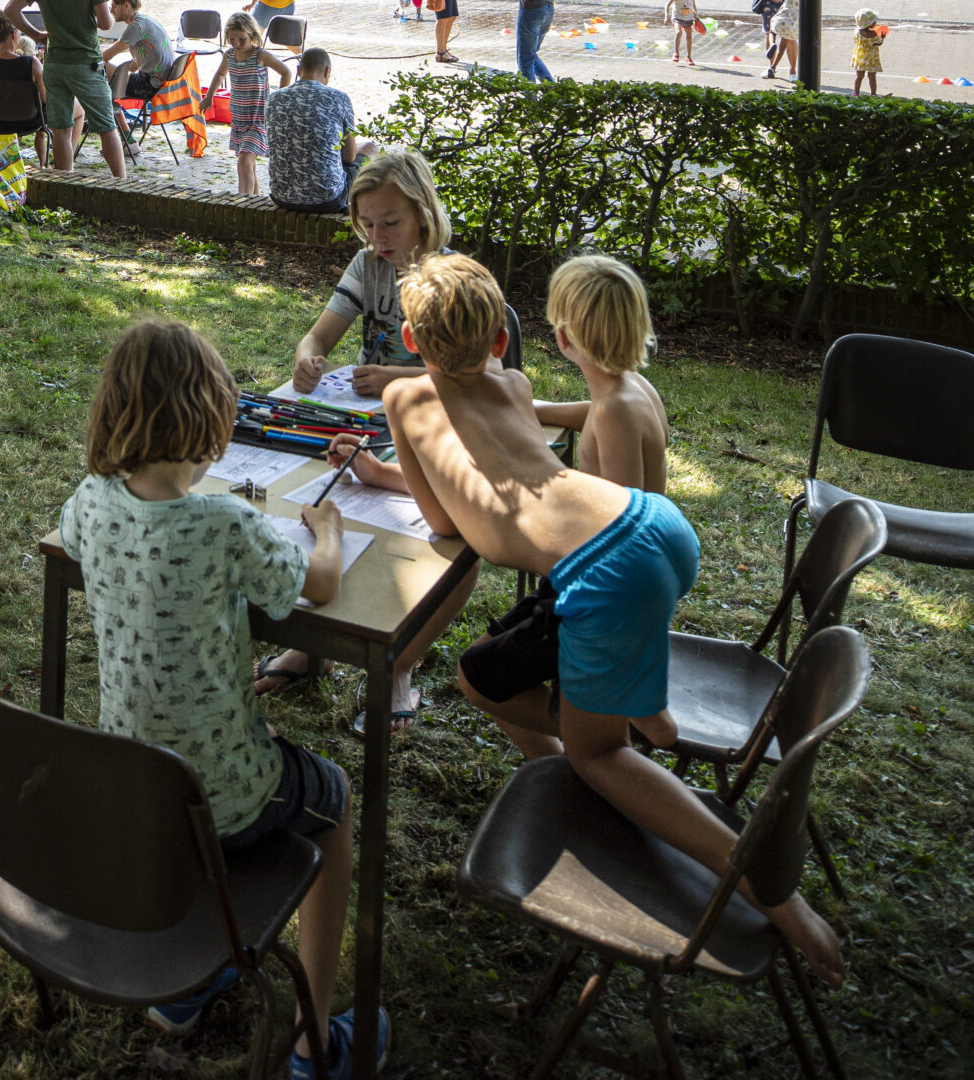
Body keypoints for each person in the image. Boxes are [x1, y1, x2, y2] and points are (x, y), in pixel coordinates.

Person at [372, 252, 845, 991]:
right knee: (488, 674)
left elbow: (442, 520)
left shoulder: (405, 401)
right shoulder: (518, 381)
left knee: (601, 756)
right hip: (651, 524)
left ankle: (771, 895)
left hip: (604, 575)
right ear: (502, 339)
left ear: (408, 338)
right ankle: (605, 756)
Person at [59, 319, 389, 1080]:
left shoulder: (90, 499)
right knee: (333, 798)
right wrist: (327, 528)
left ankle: (185, 986)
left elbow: (78, 546)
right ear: (214, 416)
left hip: (132, 786)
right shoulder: (226, 522)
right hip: (224, 795)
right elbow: (322, 584)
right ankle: (315, 1042)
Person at [255, 151, 468, 728]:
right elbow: (319, 335)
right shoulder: (366, 264)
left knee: (412, 535)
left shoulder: (452, 278)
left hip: (430, 428)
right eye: (366, 224)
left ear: (424, 214)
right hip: (363, 426)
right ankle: (315, 649)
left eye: (390, 223)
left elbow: (473, 375)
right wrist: (307, 359)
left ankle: (397, 665)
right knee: (322, 505)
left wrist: (395, 378)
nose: (377, 238)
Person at [455, 254, 672, 760]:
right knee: (490, 651)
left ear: (563, 337)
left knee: (476, 678)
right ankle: (577, 752)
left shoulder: (616, 410)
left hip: (606, 603)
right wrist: (521, 407)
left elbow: (622, 528)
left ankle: (595, 733)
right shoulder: (628, 390)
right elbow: (586, 413)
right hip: (611, 589)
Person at [3, 0, 128, 176]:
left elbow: (10, 10)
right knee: (107, 127)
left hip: (55, 64)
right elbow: (106, 24)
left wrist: (36, 34)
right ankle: (121, 184)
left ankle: (65, 184)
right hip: (86, 63)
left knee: (60, 129)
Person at [266, 47, 378, 214]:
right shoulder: (338, 98)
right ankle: (365, 209)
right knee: (371, 147)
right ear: (327, 71)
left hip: (281, 196)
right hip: (327, 200)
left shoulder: (273, 98)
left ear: (298, 70)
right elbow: (349, 157)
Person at [0, 9, 74, 166]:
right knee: (78, 113)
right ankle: (64, 163)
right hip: (27, 121)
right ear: (14, 34)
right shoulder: (32, 63)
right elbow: (46, 100)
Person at [202, 13, 292, 196]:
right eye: (232, 39)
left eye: (241, 39)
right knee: (248, 165)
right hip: (239, 119)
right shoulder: (229, 56)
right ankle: (255, 204)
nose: (236, 43)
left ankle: (243, 204)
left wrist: (280, 100)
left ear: (252, 34)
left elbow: (286, 72)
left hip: (258, 120)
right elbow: (220, 74)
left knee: (243, 162)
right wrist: (209, 96)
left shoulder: (261, 55)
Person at [102, 0, 179, 104]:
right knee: (113, 78)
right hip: (163, 83)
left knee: (101, 66)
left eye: (114, 7)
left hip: (152, 86)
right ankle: (116, 114)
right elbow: (135, 66)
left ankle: (95, 109)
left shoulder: (136, 27)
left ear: (126, 5)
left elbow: (105, 56)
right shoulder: (145, 20)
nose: (111, 11)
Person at [514, 0, 555, 82]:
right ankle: (551, 90)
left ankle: (530, 93)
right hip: (548, 8)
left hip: (532, 10)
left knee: (525, 60)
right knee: (531, 55)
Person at [852, 9, 884, 96]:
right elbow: (879, 43)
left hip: (860, 56)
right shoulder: (874, 35)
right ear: (869, 23)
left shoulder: (857, 31)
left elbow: (855, 40)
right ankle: (873, 94)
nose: (875, 22)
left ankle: (856, 92)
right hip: (871, 58)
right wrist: (882, 37)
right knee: (872, 76)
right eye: (874, 20)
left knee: (859, 76)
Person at [765, 0, 800, 79]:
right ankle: (790, 72)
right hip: (793, 22)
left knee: (772, 31)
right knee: (783, 46)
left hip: (782, 17)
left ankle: (773, 43)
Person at [665, 0, 698, 65]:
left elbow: (694, 6)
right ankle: (676, 53)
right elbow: (667, 5)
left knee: (689, 37)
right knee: (679, 32)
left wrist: (696, 15)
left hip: (689, 19)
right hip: (677, 18)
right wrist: (666, 17)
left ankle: (689, 57)